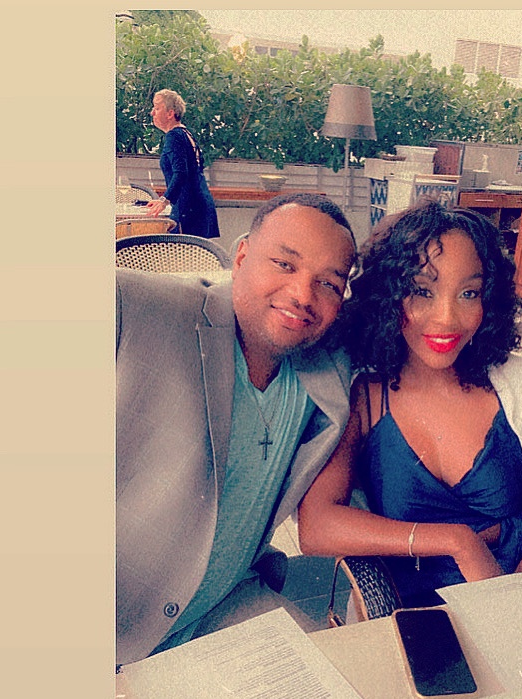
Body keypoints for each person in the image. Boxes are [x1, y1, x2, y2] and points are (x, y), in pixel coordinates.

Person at [298, 200, 522, 610]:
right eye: (422, 291)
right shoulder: (367, 397)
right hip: (411, 615)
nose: (447, 318)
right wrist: (457, 541)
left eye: (468, 293)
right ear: (389, 295)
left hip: (520, 600)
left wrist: (502, 610)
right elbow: (316, 527)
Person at [117, 193, 357, 665]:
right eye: (285, 264)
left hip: (223, 606)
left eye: (329, 283)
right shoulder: (138, 307)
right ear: (242, 255)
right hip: (117, 620)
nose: (303, 295)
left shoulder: (328, 363)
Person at [145, 88, 220, 238]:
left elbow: (181, 173)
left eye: (157, 108)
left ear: (170, 114)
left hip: (188, 210)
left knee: (181, 252)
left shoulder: (174, 136)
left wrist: (164, 200)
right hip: (199, 205)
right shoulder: (186, 133)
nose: (152, 113)